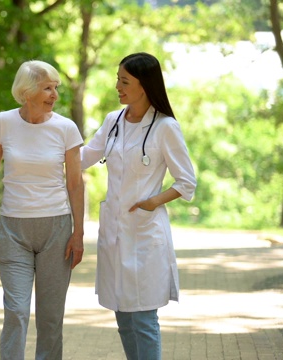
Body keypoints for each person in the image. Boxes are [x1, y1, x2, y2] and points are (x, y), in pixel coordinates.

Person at [80, 52, 197, 359]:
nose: (117, 86)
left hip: (145, 233)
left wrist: (152, 202)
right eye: (117, 79)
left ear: (144, 85)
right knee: (122, 315)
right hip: (115, 231)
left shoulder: (165, 126)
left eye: (124, 81)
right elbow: (83, 157)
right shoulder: (113, 121)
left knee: (143, 319)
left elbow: (187, 182)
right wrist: (46, 144)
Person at [0, 60, 85, 360]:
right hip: (14, 230)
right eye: (47, 88)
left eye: (56, 88)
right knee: (17, 311)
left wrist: (79, 233)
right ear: (27, 91)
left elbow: (75, 184)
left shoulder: (66, 128)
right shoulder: (3, 122)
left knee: (50, 317)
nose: (54, 95)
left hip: (56, 230)